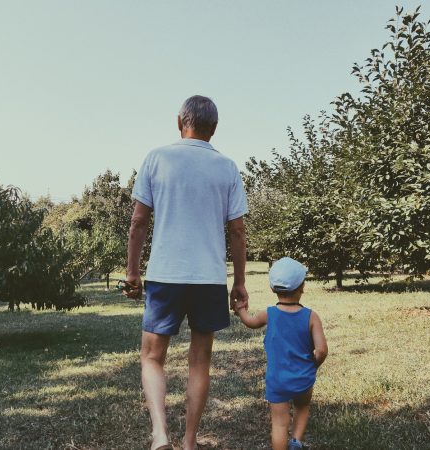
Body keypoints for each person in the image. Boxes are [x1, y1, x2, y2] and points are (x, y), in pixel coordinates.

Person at [124, 95, 249, 450]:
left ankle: (161, 435)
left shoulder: (156, 158)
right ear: (215, 129)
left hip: (166, 274)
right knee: (200, 361)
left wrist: (132, 272)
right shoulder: (227, 167)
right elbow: (237, 230)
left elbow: (138, 221)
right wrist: (238, 282)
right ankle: (190, 441)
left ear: (180, 122)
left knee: (151, 356)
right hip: (209, 277)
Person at [233, 257, 328, 450]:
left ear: (272, 289)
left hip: (277, 380)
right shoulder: (311, 316)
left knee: (279, 423)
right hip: (303, 378)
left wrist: (240, 309)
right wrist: (312, 366)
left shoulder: (269, 314)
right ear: (303, 286)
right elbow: (322, 350)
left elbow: (249, 322)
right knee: (302, 407)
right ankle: (297, 441)